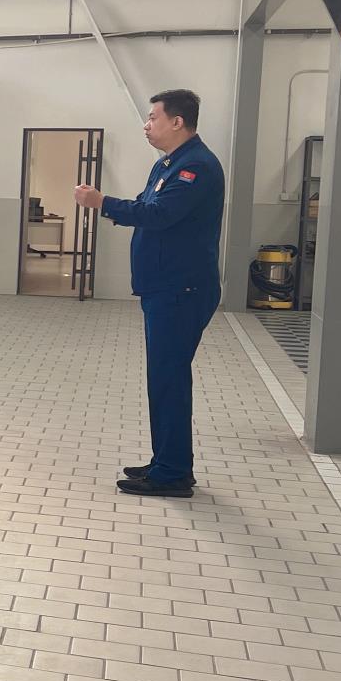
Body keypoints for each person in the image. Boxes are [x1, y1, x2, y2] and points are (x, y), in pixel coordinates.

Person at [75, 88, 225, 498]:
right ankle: (167, 462)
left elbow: (159, 214)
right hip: (165, 287)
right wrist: (115, 208)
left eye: (153, 117)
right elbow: (147, 206)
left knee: (168, 379)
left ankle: (172, 473)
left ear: (177, 121)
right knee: (164, 379)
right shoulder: (169, 164)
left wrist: (101, 202)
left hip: (181, 289)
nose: (146, 125)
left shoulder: (196, 167)